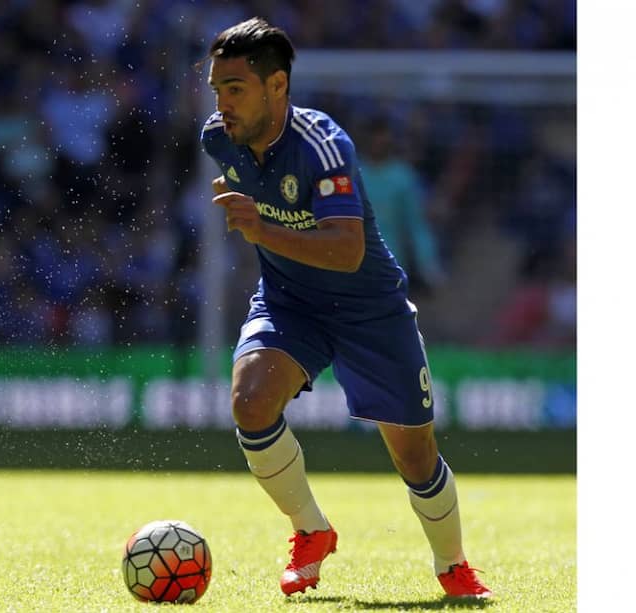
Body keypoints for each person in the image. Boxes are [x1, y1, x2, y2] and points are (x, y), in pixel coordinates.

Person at [199, 18, 491, 599]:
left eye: (235, 88)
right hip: (289, 303)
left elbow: (346, 247)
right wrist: (266, 236)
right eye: (216, 89)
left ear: (276, 85)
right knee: (250, 402)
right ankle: (311, 530)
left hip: (369, 309)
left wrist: (260, 228)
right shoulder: (217, 138)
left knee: (415, 457)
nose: (222, 103)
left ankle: (452, 565)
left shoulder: (324, 144)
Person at [360, 116, 446, 290]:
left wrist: (428, 262)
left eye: (383, 139)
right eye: (374, 138)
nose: (378, 143)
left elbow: (417, 224)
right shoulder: (351, 173)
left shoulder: (403, 177)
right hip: (353, 264)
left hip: (390, 265)